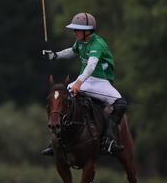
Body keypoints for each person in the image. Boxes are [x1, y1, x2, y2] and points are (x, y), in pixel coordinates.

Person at [42, 12, 127, 156]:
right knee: (59, 98)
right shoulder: (81, 41)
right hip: (84, 81)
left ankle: (108, 140)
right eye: (74, 29)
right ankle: (55, 141)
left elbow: (91, 65)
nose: (75, 32)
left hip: (100, 81)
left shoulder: (97, 44)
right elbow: (72, 51)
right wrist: (55, 55)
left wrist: (78, 83)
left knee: (121, 104)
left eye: (77, 30)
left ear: (88, 31)